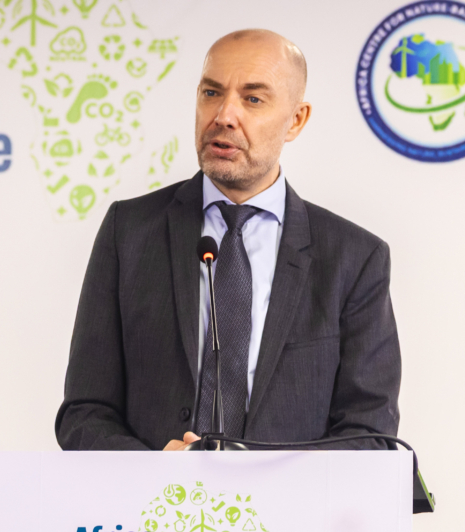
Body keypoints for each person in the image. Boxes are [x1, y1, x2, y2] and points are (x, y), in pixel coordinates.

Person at [55, 29, 401, 451]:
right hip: (155, 494)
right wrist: (152, 471)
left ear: (296, 120)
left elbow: (369, 435)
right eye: (211, 93)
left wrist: (262, 479)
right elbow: (84, 413)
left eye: (252, 99)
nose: (224, 115)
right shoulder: (128, 231)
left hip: (288, 497)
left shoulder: (355, 257)